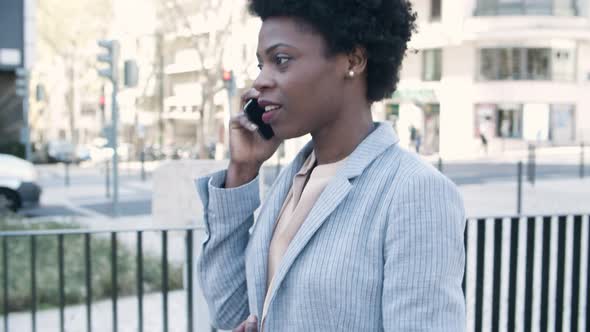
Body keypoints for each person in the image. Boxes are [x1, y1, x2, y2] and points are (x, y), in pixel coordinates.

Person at [196, 0, 466, 331]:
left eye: (281, 60)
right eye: (261, 64)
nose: (260, 81)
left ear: (353, 60)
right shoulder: (292, 182)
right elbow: (230, 313)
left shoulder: (415, 192)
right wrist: (242, 171)